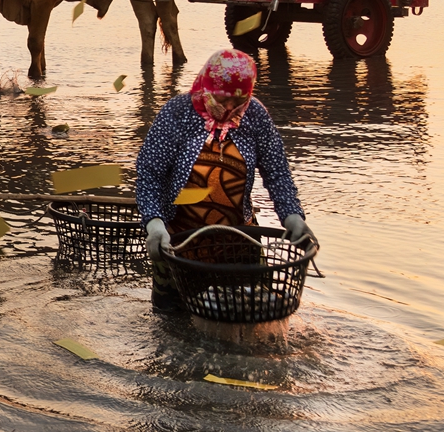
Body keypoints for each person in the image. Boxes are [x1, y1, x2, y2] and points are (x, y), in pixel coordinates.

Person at [135, 48, 315, 309]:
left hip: (239, 240)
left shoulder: (255, 116)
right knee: (173, 328)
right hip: (179, 242)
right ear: (206, 86)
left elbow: (277, 173)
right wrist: (153, 222)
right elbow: (149, 174)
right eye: (222, 99)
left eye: (237, 102)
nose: (229, 108)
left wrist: (292, 215)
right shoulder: (177, 113)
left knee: (256, 317)